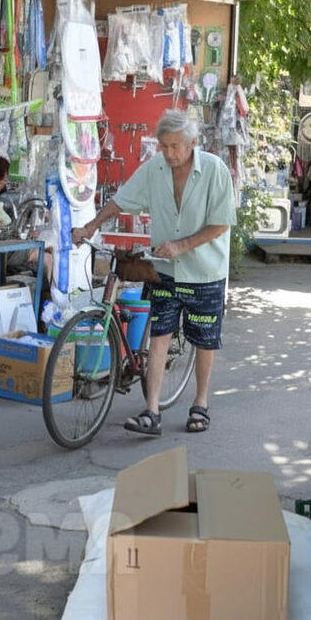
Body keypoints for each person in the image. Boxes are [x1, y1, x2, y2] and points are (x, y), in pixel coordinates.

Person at [72, 109, 236, 435]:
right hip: (164, 271)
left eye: (176, 146)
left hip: (204, 272)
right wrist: (91, 225)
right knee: (158, 335)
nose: (169, 153)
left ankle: (200, 404)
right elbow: (121, 200)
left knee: (204, 340)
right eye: (164, 146)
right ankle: (152, 411)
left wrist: (181, 245)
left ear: (193, 143)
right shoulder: (155, 169)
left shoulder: (215, 170)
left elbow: (221, 224)